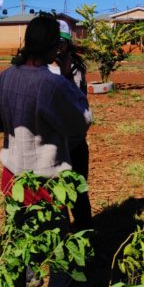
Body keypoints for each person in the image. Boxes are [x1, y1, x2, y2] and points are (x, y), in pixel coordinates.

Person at [0, 14, 92, 287]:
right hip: (48, 183)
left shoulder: (5, 77)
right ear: (53, 48)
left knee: (16, 249)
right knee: (59, 254)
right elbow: (82, 120)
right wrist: (64, 77)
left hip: (13, 181)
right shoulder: (53, 83)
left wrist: (10, 123)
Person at [49, 20, 93, 232]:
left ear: (68, 44)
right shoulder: (42, 67)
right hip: (53, 145)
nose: (58, 47)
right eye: (54, 42)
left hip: (73, 143)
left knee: (77, 193)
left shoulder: (73, 69)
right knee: (55, 195)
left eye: (62, 42)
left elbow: (73, 103)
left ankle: (85, 236)